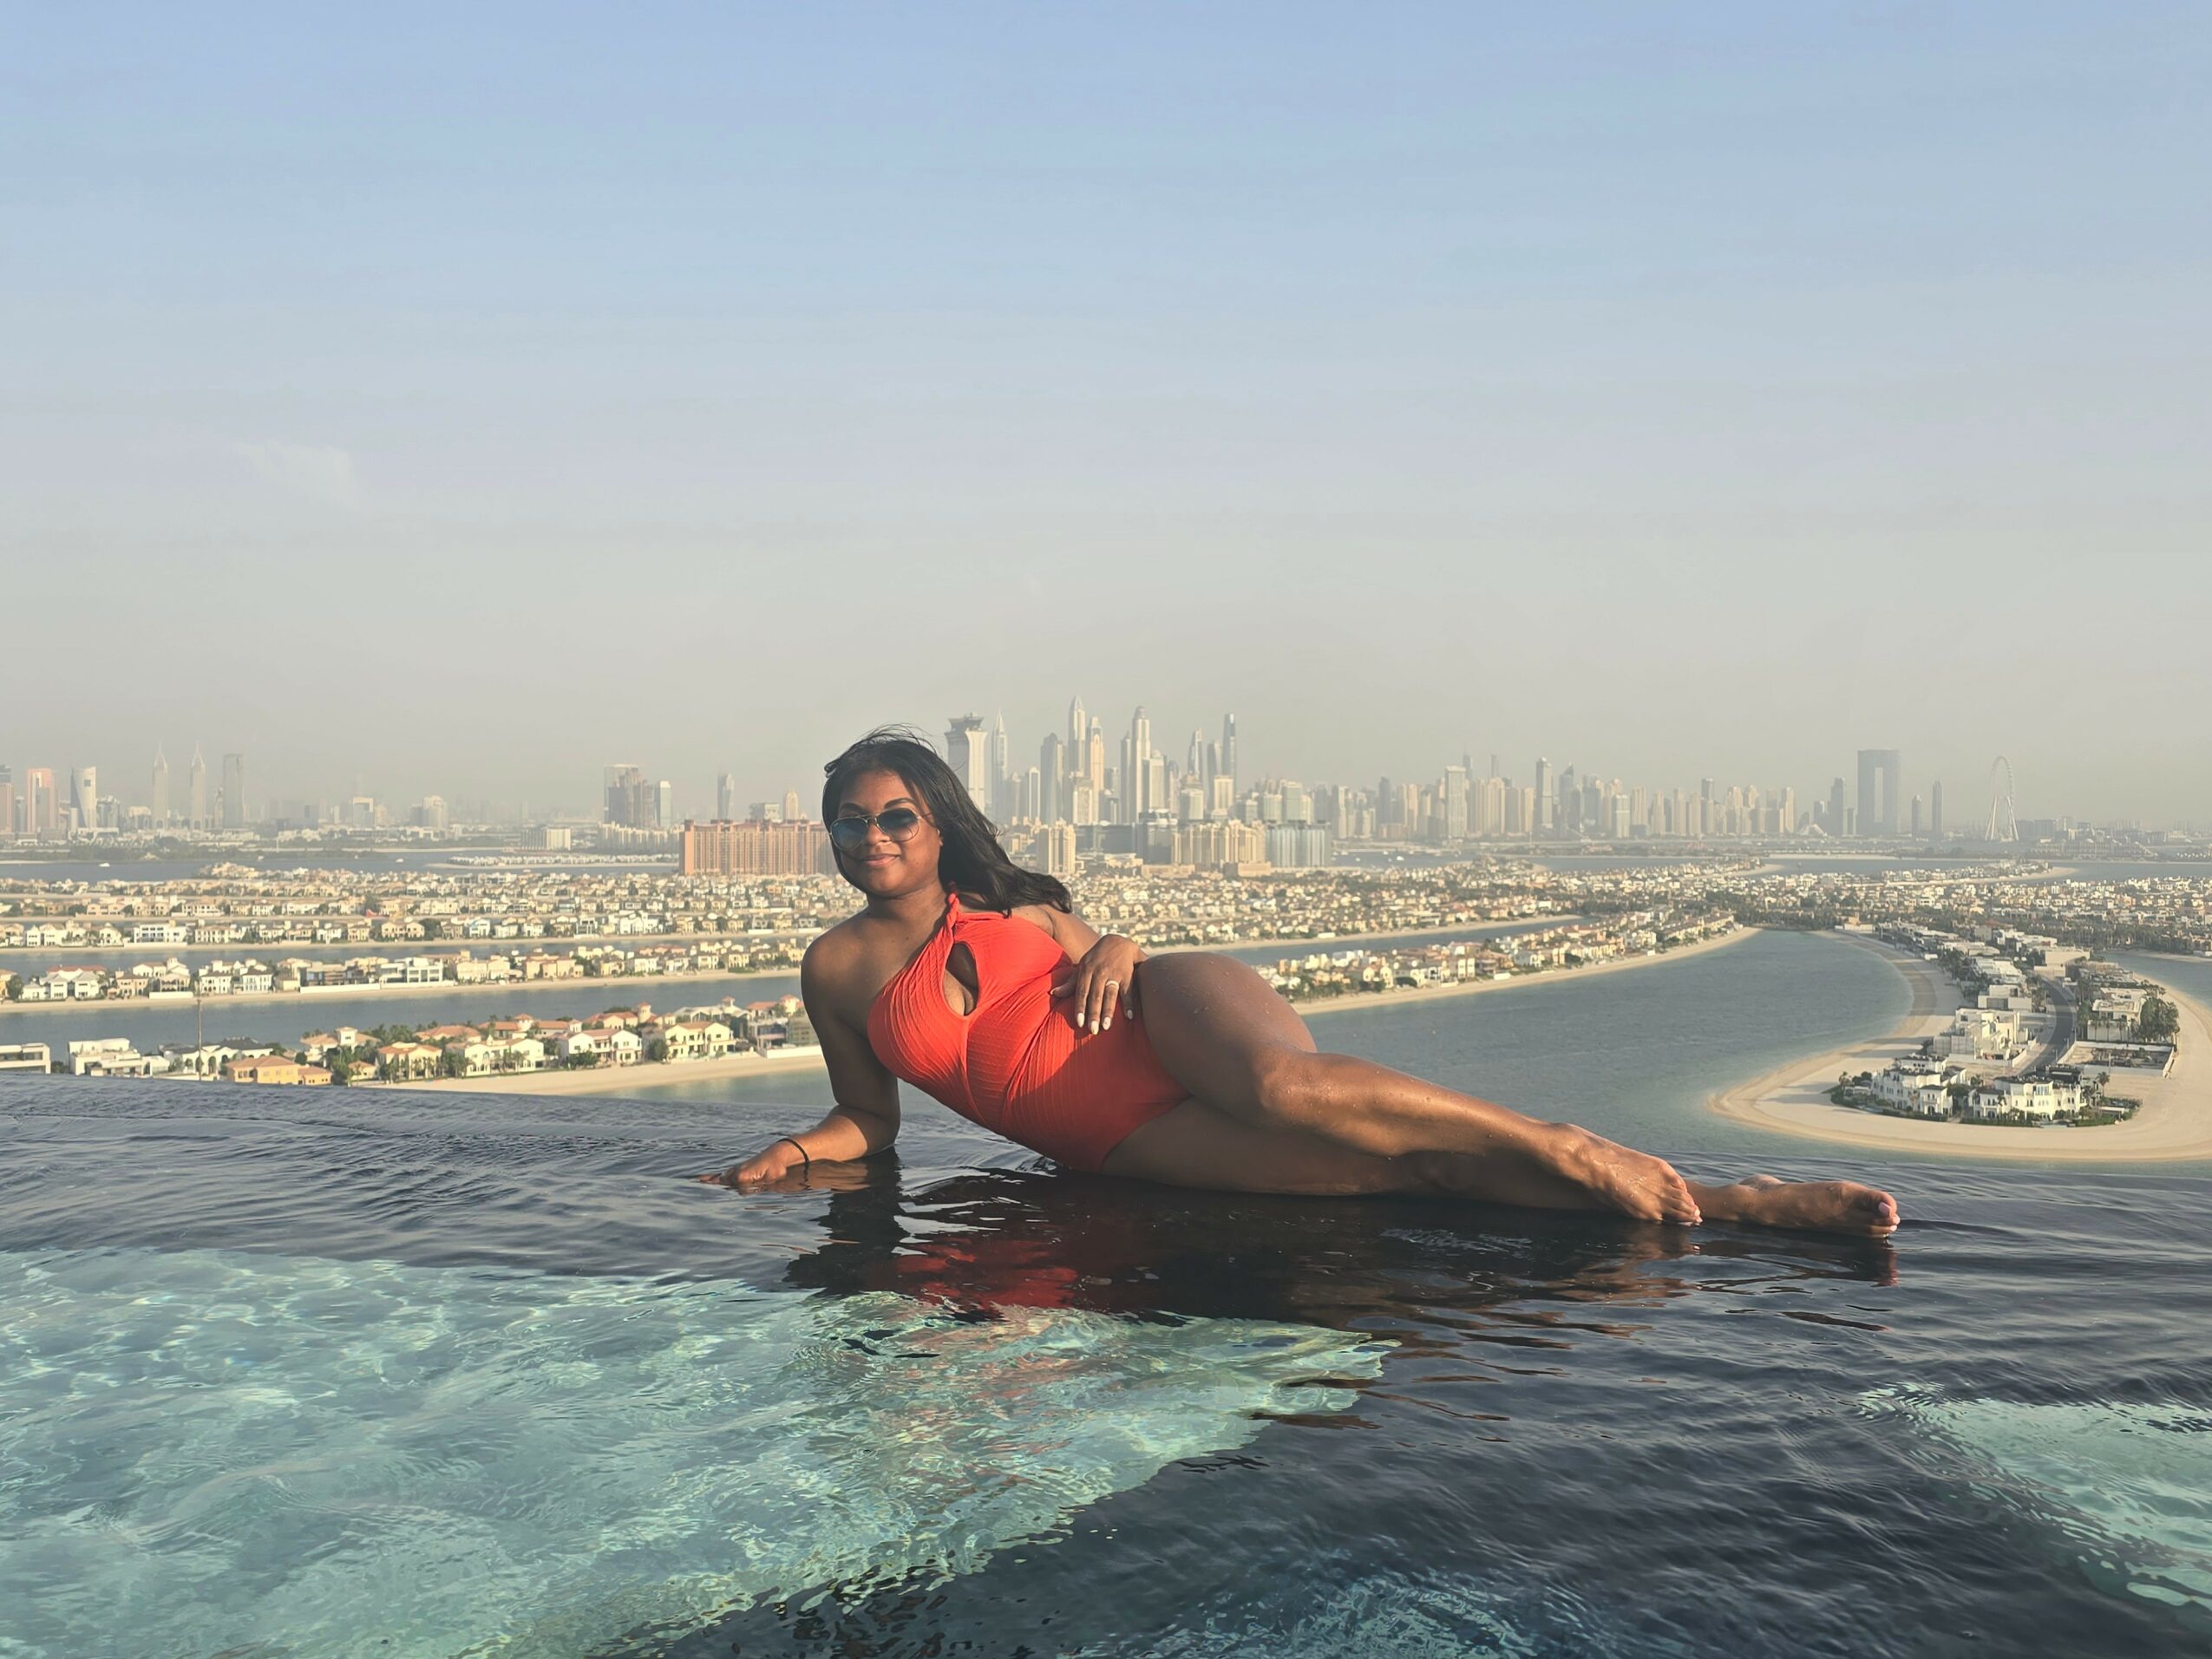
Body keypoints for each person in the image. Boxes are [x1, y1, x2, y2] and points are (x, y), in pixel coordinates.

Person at [702, 728, 1900, 1238]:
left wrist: (1112, 944)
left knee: (1287, 1085)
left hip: (1173, 1018)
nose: (870, 836)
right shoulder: (837, 966)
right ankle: (1734, 1202)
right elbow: (866, 1117)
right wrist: (788, 1156)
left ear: (933, 816)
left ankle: (1571, 1141)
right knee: (1389, 1177)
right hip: (1121, 1135)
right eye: (846, 821)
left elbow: (1093, 957)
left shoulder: (1018, 902)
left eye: (894, 813)